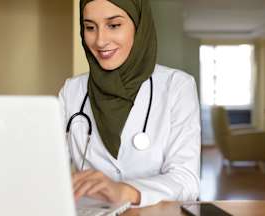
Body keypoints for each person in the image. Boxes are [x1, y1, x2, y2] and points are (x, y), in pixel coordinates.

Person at [59, 0, 201, 207]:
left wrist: (125, 191)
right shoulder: (72, 91)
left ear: (139, 25)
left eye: (114, 25)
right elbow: (48, 168)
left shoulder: (177, 86)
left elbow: (187, 181)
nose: (100, 41)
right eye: (90, 27)